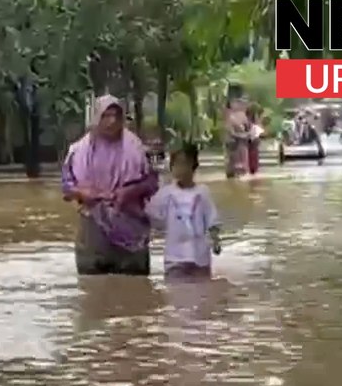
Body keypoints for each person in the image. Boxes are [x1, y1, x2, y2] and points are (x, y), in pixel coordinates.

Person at [61, 95, 160, 276]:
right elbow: (67, 188)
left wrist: (130, 192)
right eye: (106, 115)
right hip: (93, 231)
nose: (112, 121)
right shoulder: (77, 152)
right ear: (96, 118)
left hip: (131, 232)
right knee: (93, 293)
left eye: (116, 115)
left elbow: (153, 182)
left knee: (135, 293)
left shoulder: (137, 149)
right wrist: (84, 193)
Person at [146, 144, 222, 280]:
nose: (180, 168)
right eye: (176, 164)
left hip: (199, 255)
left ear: (193, 165)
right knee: (176, 293)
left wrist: (215, 240)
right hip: (174, 256)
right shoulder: (166, 193)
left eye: (184, 163)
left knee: (201, 292)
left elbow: (212, 218)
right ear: (171, 167)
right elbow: (152, 215)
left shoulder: (202, 192)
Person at [246, 105, 264, 176]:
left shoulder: (253, 124)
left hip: (252, 141)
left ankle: (253, 170)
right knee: (253, 157)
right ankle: (253, 170)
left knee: (253, 157)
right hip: (252, 141)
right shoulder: (251, 124)